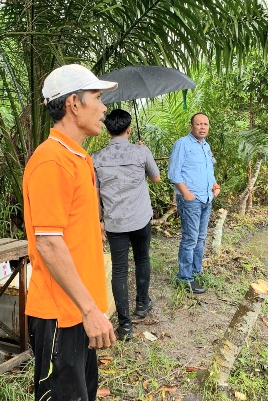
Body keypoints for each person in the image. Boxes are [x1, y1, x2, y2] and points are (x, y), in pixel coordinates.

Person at [22, 64, 118, 401]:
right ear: (74, 104)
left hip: (78, 311)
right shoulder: (52, 160)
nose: (104, 107)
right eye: (97, 97)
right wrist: (90, 309)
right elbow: (48, 243)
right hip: (60, 315)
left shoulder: (78, 158)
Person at [93, 109, 161, 341]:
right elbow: (156, 177)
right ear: (129, 129)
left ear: (108, 130)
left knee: (120, 270)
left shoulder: (96, 158)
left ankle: (125, 326)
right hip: (141, 218)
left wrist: (99, 220)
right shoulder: (141, 152)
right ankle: (142, 305)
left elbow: (96, 194)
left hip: (115, 222)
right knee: (142, 258)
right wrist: (143, 150)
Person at [168, 113, 220, 294]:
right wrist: (186, 194)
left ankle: (196, 271)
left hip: (206, 198)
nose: (202, 127)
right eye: (199, 124)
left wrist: (215, 186)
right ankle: (184, 278)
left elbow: (209, 171)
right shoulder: (182, 144)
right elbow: (173, 173)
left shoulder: (206, 146)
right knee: (190, 239)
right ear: (191, 126)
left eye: (205, 124)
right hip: (191, 200)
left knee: (201, 237)